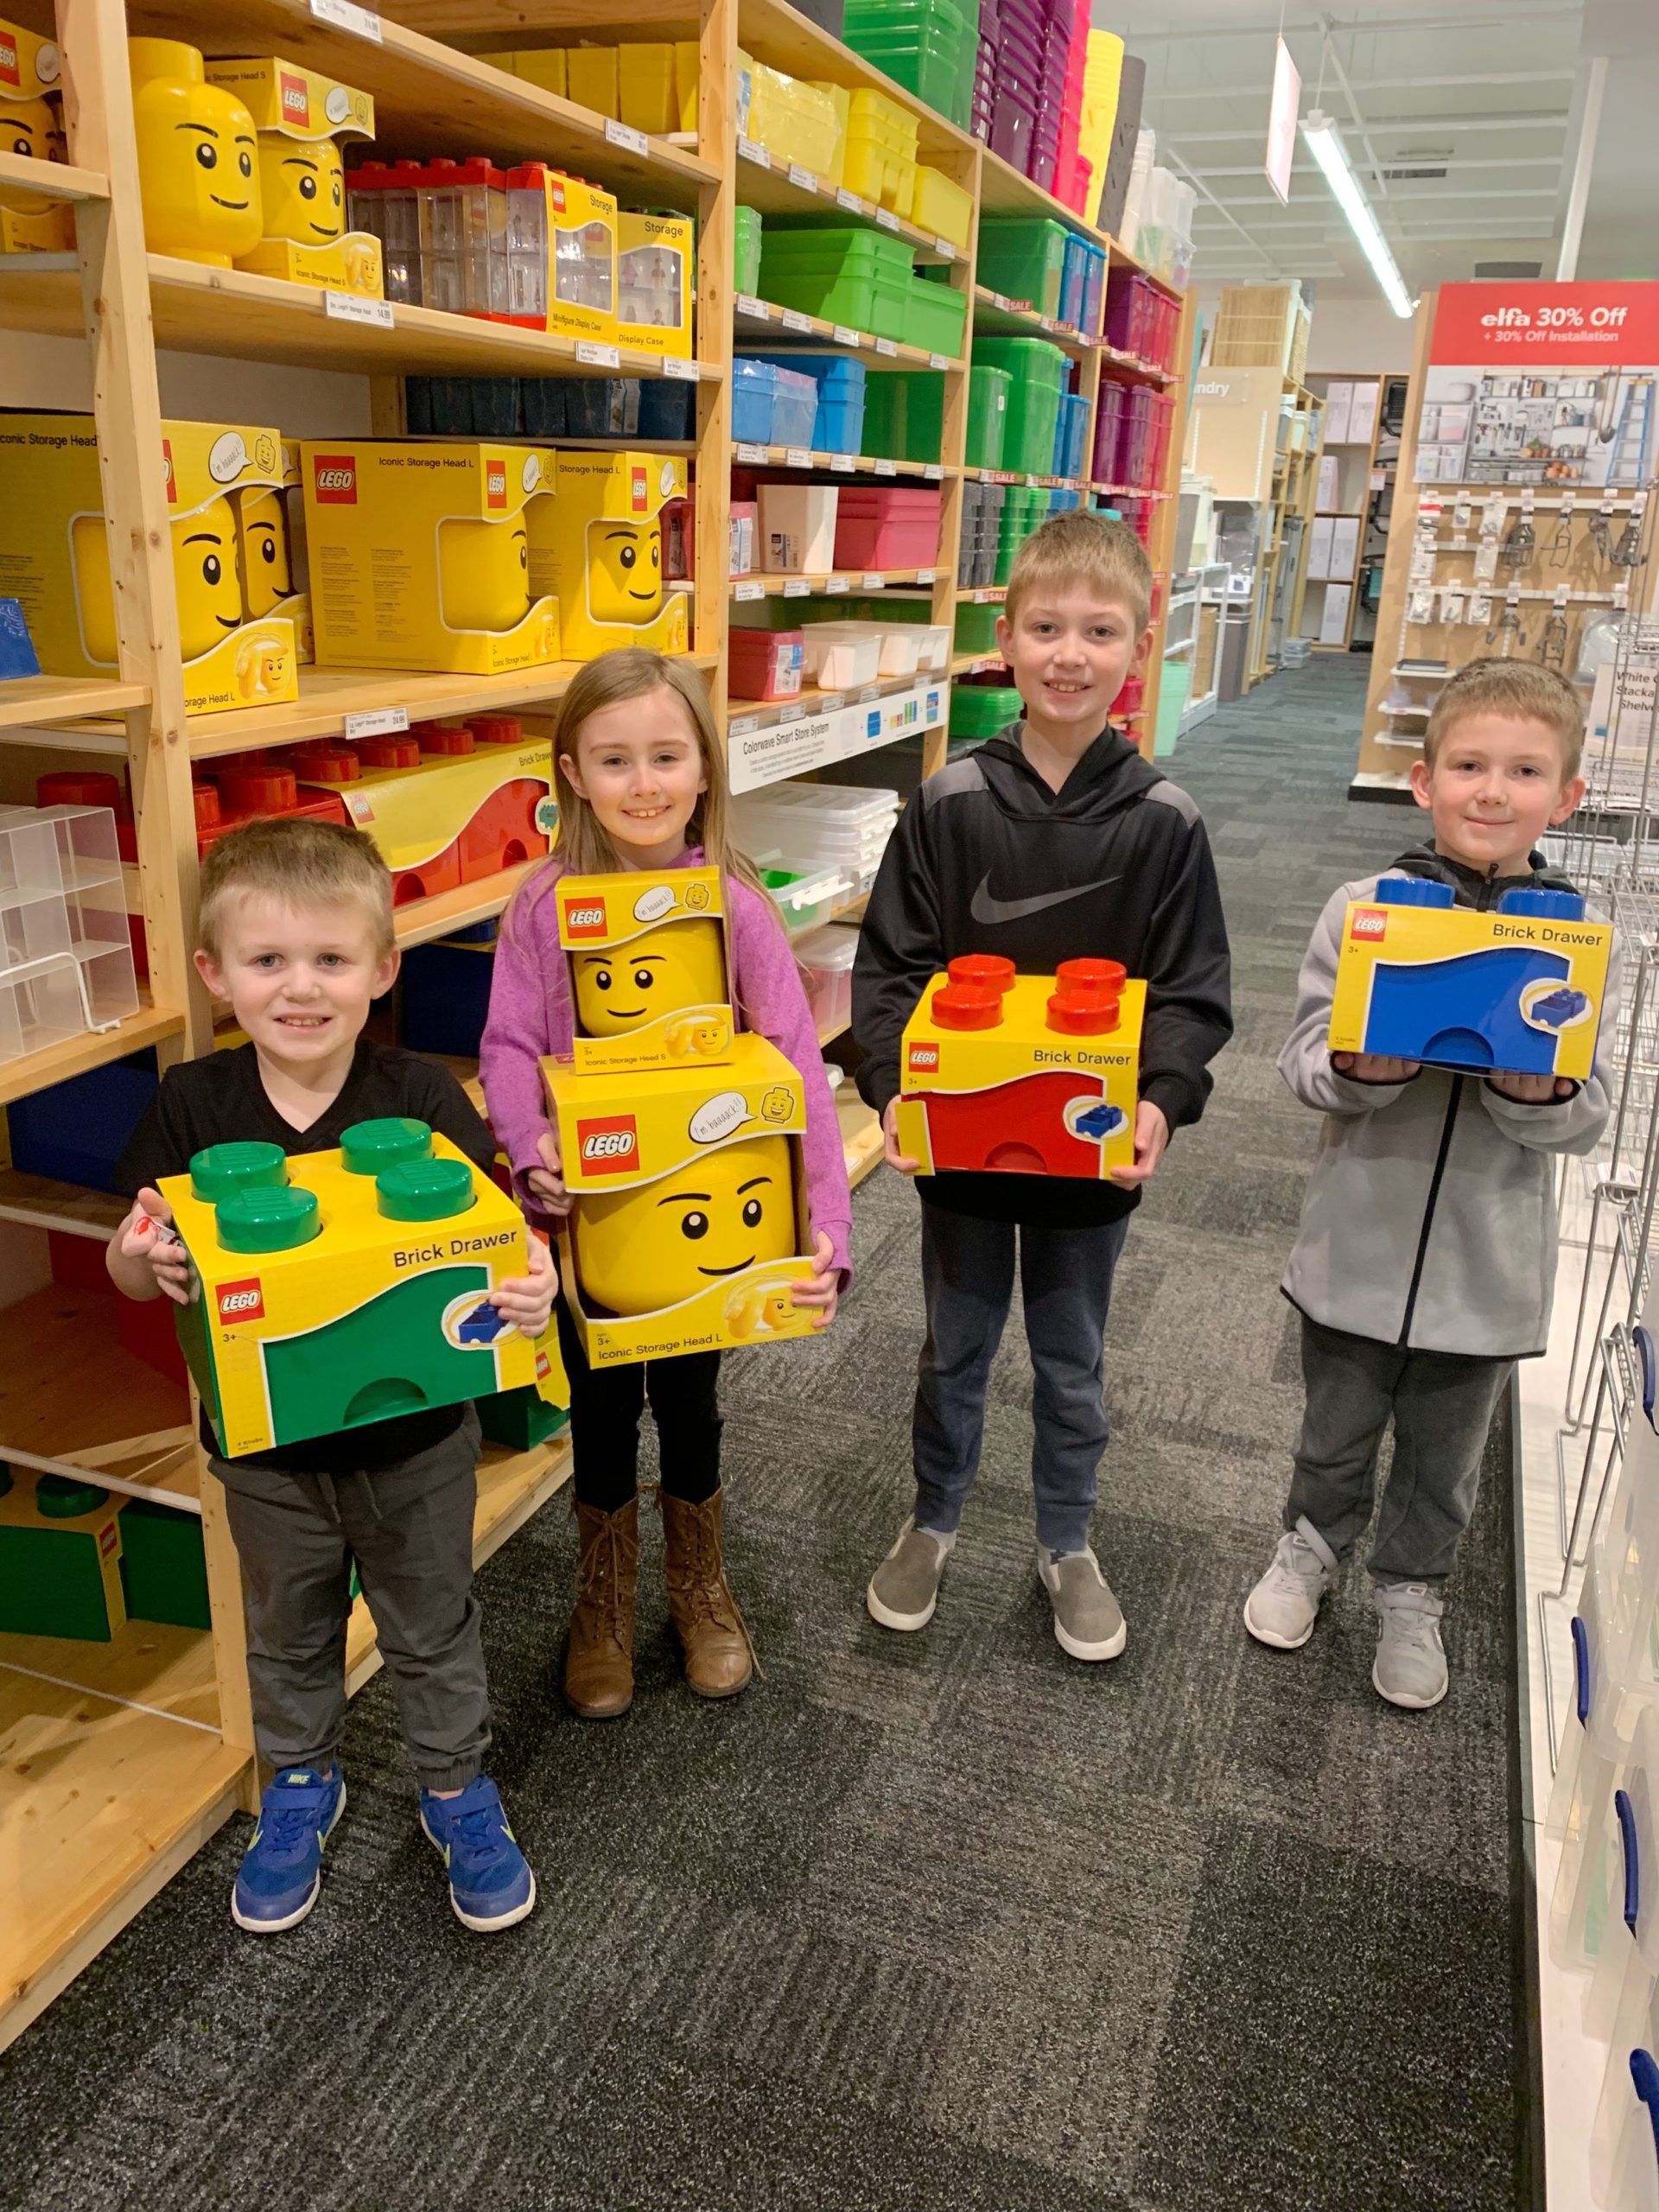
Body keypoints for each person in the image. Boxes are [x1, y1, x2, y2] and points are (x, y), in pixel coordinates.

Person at [107, 817, 554, 1936]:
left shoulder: (421, 1104)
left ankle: (456, 1785)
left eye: (329, 960)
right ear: (214, 975)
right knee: (288, 1627)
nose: (299, 990)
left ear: (382, 968)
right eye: (266, 962)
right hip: (267, 1456)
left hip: (418, 1444)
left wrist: (531, 1291)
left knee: (433, 1619)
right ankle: (300, 1781)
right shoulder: (191, 1111)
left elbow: (499, 1253)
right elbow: (132, 1263)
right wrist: (139, 1260)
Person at [851, 510, 1232, 1659]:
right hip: (964, 1151)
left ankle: (1068, 1539)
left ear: (1138, 645)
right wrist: (891, 1092)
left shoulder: (1166, 821)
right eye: (1048, 627)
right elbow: (889, 973)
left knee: (1073, 1355)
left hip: (1093, 1152)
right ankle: (934, 1517)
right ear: (1004, 639)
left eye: (1100, 630)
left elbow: (1193, 991)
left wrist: (1162, 1098)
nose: (1072, 653)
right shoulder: (951, 802)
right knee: (952, 1346)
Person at [480, 647, 851, 1721]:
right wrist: (528, 1141)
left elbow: (795, 1074)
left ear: (703, 767)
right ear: (572, 773)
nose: (642, 782)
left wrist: (823, 1223)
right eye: (614, 759)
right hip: (594, 1229)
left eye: (665, 756)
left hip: (709, 1235)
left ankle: (698, 1579)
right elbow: (507, 1043)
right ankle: (603, 1591)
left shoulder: (734, 905)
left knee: (692, 1406)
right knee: (596, 1412)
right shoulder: (543, 906)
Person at [1244, 658, 1615, 1709]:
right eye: (1468, 765)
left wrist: (1537, 1095)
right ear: (1423, 780)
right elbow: (1299, 1060)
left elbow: (1593, 1116)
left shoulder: (1573, 939)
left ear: (1567, 795)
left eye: (1525, 770)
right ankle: (1308, 1548)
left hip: (1486, 1270)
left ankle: (1413, 1590)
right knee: (1335, 1427)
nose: (1493, 791)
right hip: (1355, 1248)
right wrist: (1359, 1073)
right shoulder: (1364, 910)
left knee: (1446, 1459)